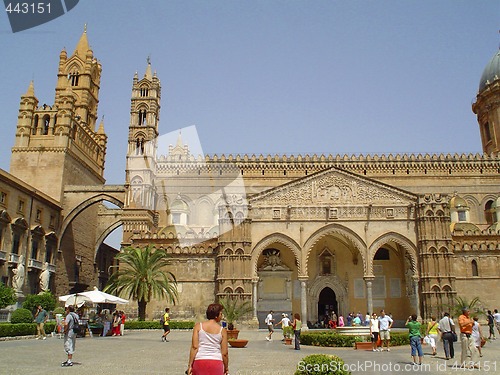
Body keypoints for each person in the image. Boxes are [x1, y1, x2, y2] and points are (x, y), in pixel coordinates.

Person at [187, 303, 228, 375]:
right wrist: (226, 367)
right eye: (221, 314)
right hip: (216, 362)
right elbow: (224, 353)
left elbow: (194, 347)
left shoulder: (198, 326)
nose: (222, 316)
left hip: (200, 360)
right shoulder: (222, 331)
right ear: (216, 316)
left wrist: (190, 365)